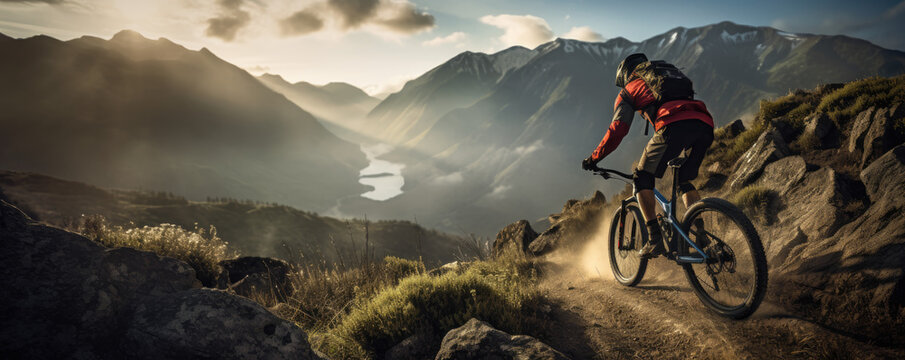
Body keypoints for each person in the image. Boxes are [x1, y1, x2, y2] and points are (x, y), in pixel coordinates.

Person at [582, 53, 714, 259]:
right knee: (684, 180)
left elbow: (618, 129)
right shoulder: (667, 75)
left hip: (672, 124)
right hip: (704, 123)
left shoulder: (629, 90)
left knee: (642, 177)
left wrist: (594, 158)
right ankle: (701, 233)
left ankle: (654, 239)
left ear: (625, 76)